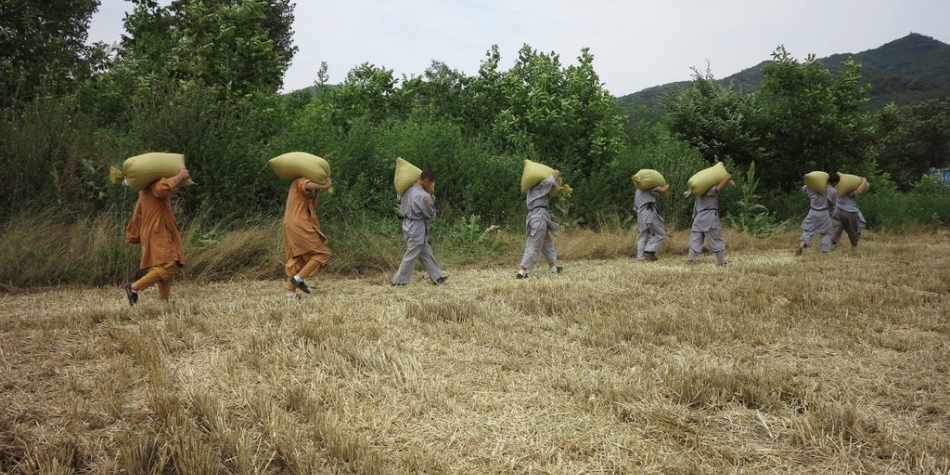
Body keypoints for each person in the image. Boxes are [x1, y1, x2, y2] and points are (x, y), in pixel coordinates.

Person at [123, 167, 190, 305]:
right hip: (158, 232)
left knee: (162, 267)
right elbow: (161, 189)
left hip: (152, 232)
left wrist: (134, 234)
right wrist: (180, 176)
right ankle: (134, 287)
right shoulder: (155, 183)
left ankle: (163, 302)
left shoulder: (144, 190)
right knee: (168, 267)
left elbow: (138, 214)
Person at [392, 169, 448, 286]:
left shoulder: (405, 189)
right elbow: (431, 214)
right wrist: (431, 199)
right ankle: (399, 281)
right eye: (431, 183)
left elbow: (399, 199)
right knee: (412, 254)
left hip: (407, 223)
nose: (431, 185)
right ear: (426, 181)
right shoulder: (424, 196)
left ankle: (437, 276)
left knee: (424, 251)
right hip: (417, 226)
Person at [284, 176, 333, 298]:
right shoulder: (299, 181)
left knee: (298, 256)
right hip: (300, 224)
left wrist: (318, 191)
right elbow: (307, 184)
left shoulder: (303, 193)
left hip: (291, 224)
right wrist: (324, 185)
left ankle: (291, 292)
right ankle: (298, 279)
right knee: (323, 253)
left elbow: (312, 207)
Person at [517, 170, 564, 279]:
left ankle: (553, 268)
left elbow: (548, 194)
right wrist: (556, 173)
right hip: (539, 217)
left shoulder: (533, 189)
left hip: (538, 216)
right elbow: (552, 178)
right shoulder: (538, 186)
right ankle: (521, 272)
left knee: (545, 242)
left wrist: (560, 190)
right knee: (534, 244)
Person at [687, 173, 732, 266]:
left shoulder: (698, 192)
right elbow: (717, 189)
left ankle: (690, 260)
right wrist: (726, 178)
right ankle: (721, 262)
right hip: (709, 217)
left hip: (698, 218)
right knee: (716, 239)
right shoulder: (709, 189)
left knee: (695, 239)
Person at [796, 173, 840, 255]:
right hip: (824, 213)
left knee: (808, 230)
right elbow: (833, 203)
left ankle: (801, 245)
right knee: (826, 232)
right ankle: (825, 251)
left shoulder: (813, 188)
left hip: (812, 212)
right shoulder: (833, 191)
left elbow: (804, 188)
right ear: (834, 183)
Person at [634, 183, 670, 261]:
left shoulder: (639, 188)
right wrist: (667, 185)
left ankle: (640, 257)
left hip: (640, 212)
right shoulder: (649, 184)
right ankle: (649, 251)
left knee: (643, 234)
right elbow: (662, 191)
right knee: (660, 233)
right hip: (649, 212)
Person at [832, 176, 869, 248]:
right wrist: (864, 181)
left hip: (837, 211)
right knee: (853, 230)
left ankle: (829, 245)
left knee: (836, 229)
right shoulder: (848, 190)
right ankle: (854, 246)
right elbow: (859, 191)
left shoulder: (837, 188)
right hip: (849, 212)